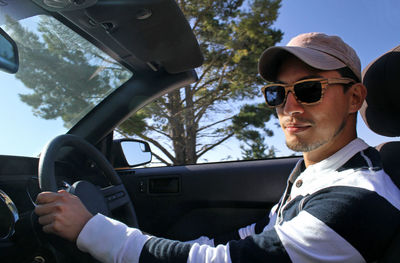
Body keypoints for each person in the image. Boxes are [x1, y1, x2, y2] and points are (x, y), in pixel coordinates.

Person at [35, 32, 400, 262]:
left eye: (309, 89)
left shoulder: (357, 200)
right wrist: (178, 241)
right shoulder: (317, 173)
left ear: (354, 98)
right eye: (277, 93)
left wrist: (90, 229)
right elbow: (256, 233)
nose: (289, 108)